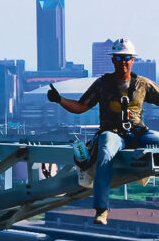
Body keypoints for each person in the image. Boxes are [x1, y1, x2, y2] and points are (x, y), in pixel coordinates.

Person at [47, 38, 159, 225]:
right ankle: (101, 210)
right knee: (105, 152)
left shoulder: (142, 85)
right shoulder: (103, 84)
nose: (123, 62)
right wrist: (60, 100)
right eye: (118, 58)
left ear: (133, 60)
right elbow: (81, 106)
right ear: (112, 60)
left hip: (138, 133)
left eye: (126, 58)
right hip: (112, 132)